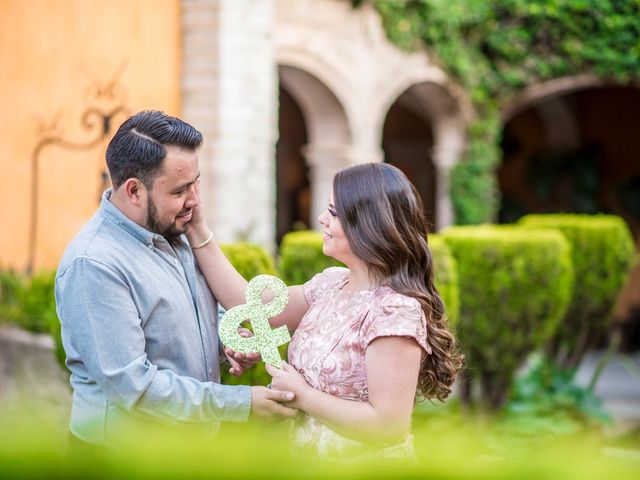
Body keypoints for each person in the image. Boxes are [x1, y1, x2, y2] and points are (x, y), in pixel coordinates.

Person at [187, 162, 463, 461]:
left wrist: (303, 395)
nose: (320, 219)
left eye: (333, 212)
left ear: (368, 223)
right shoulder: (330, 284)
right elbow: (247, 303)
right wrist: (197, 228)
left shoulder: (395, 310)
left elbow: (388, 425)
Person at [55, 110, 297, 450]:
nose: (195, 200)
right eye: (181, 189)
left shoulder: (174, 228)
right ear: (135, 191)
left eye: (197, 182)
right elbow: (134, 388)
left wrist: (225, 341)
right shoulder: (94, 264)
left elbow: (179, 321)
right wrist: (241, 403)